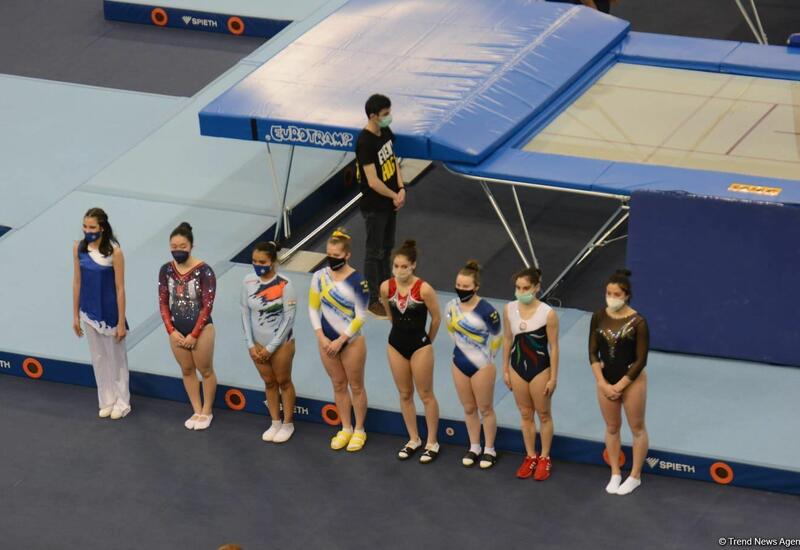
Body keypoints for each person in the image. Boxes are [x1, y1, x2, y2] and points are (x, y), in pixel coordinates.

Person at [379, 240, 442, 463]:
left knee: (426, 394)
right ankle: (413, 438)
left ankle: (432, 441)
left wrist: (427, 341)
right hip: (395, 344)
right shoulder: (386, 287)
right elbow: (390, 314)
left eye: (404, 266)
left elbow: (437, 318)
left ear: (413, 265)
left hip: (420, 346)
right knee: (405, 394)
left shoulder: (424, 289)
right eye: (396, 266)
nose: (399, 270)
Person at [308, 228, 370, 452]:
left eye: (336, 255)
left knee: (356, 386)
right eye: (329, 255)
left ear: (347, 255)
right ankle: (346, 427)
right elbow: (313, 308)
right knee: (338, 385)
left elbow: (361, 316)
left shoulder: (358, 281)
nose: (332, 259)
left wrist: (341, 339)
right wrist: (321, 336)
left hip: (351, 342)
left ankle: (360, 429)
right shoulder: (319, 277)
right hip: (326, 340)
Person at [589, 269, 650, 495]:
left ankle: (635, 476)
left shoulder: (638, 322)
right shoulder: (598, 317)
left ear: (626, 296)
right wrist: (602, 383)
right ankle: (615, 472)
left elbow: (641, 360)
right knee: (612, 427)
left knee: (637, 428)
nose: (611, 298)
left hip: (632, 380)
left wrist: (620, 385)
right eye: (608, 293)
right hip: (606, 379)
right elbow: (592, 353)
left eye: (616, 294)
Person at [72, 207, 131, 419]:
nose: (88, 231)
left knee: (116, 359)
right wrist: (75, 315)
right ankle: (107, 399)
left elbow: (120, 288)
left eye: (92, 227)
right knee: (98, 358)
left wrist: (121, 322)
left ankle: (122, 402)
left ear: (102, 228)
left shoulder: (115, 252)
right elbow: (77, 282)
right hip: (89, 312)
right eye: (85, 226)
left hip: (110, 313)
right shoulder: (79, 248)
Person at [158, 222, 217, 431]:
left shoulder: (204, 271)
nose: (178, 250)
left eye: (182, 246)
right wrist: (171, 331)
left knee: (205, 370)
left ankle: (207, 410)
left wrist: (194, 334)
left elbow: (207, 305)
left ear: (191, 246)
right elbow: (163, 302)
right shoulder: (166, 270)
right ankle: (196, 409)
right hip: (177, 331)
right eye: (174, 246)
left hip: (201, 329)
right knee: (186, 370)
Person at [502, 267, 560, 480]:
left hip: (540, 369)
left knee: (543, 414)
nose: (521, 292)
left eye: (526, 288)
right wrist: (505, 369)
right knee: (525, 414)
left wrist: (553, 377)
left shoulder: (547, 313)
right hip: (517, 368)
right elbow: (507, 339)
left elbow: (554, 347)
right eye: (518, 288)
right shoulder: (509, 309)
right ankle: (530, 456)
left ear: (536, 288)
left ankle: (544, 457)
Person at [445, 261, 502, 469]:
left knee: (485, 409)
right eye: (458, 285)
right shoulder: (451, 307)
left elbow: (497, 336)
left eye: (466, 286)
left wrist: (488, 358)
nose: (461, 289)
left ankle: (489, 449)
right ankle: (475, 446)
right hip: (459, 362)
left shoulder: (487, 311)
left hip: (482, 366)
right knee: (469, 408)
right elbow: (450, 330)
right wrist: (463, 349)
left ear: (476, 287)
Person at [241, 241, 297, 443]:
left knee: (284, 382)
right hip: (257, 343)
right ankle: (275, 421)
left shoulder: (285, 284)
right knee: (269, 382)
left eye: (262, 262)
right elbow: (245, 312)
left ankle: (288, 423)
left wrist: (271, 347)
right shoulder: (248, 281)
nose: (258, 265)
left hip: (281, 343)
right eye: (254, 261)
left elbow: (289, 318)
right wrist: (250, 344)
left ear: (272, 262)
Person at [355, 93, 405, 318]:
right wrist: (395, 195)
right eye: (385, 114)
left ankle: (388, 290)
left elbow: (393, 160)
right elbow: (373, 181)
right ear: (373, 116)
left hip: (390, 201)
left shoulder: (384, 132)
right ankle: (373, 298)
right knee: (373, 252)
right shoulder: (365, 143)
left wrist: (401, 188)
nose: (389, 117)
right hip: (375, 205)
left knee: (387, 248)